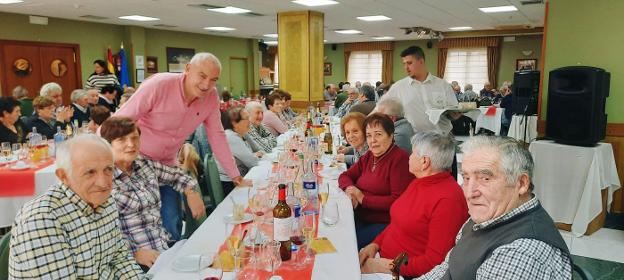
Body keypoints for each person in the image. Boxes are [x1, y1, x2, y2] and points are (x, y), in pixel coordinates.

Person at [114, 52, 246, 241]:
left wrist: (234, 175)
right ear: (187, 70)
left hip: (168, 167)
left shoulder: (211, 97)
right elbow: (119, 121)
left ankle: (167, 265)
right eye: (202, 76)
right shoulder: (159, 85)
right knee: (140, 232)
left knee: (172, 225)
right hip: (136, 165)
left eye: (213, 80)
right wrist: (95, 156)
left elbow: (216, 135)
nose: (206, 85)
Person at [418, 136, 572, 280]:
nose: (470, 193)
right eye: (466, 178)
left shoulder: (520, 252)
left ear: (521, 184)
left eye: (485, 178)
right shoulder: (487, 216)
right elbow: (448, 267)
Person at [9, 134, 144, 279]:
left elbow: (119, 257)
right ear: (63, 176)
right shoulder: (42, 220)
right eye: (90, 172)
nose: (103, 183)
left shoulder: (107, 201)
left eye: (108, 169)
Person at [100, 117, 205, 270]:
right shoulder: (102, 180)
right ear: (108, 145)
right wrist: (134, 252)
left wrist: (191, 192)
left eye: (135, 138)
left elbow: (177, 175)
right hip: (134, 263)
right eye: (122, 140)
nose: (131, 144)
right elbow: (101, 231)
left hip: (165, 248)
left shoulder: (145, 165)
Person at [360, 131, 468, 278]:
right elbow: (397, 223)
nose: (409, 156)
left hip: (401, 273)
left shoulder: (447, 200)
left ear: (424, 162)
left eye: (413, 153)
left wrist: (386, 266)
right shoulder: (419, 182)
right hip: (384, 260)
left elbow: (435, 263)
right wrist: (375, 244)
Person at [338, 113, 414, 249]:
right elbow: (344, 176)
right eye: (368, 135)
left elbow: (398, 201)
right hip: (361, 216)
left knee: (344, 245)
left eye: (378, 134)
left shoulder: (399, 160)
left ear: (391, 135)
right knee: (332, 232)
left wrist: (362, 198)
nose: (373, 140)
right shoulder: (369, 156)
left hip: (385, 224)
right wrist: (350, 190)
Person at [376, 46, 458, 133]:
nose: (406, 68)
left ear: (421, 61)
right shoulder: (399, 87)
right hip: (416, 139)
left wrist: (454, 115)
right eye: (404, 64)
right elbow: (378, 109)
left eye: (409, 63)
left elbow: (452, 111)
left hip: (443, 136)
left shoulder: (442, 85)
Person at [218, 106, 261, 196]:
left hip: (239, 178)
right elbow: (253, 162)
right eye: (246, 118)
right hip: (230, 183)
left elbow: (256, 153)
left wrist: (253, 155)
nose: (249, 120)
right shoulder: (231, 137)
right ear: (234, 123)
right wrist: (254, 155)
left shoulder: (239, 134)